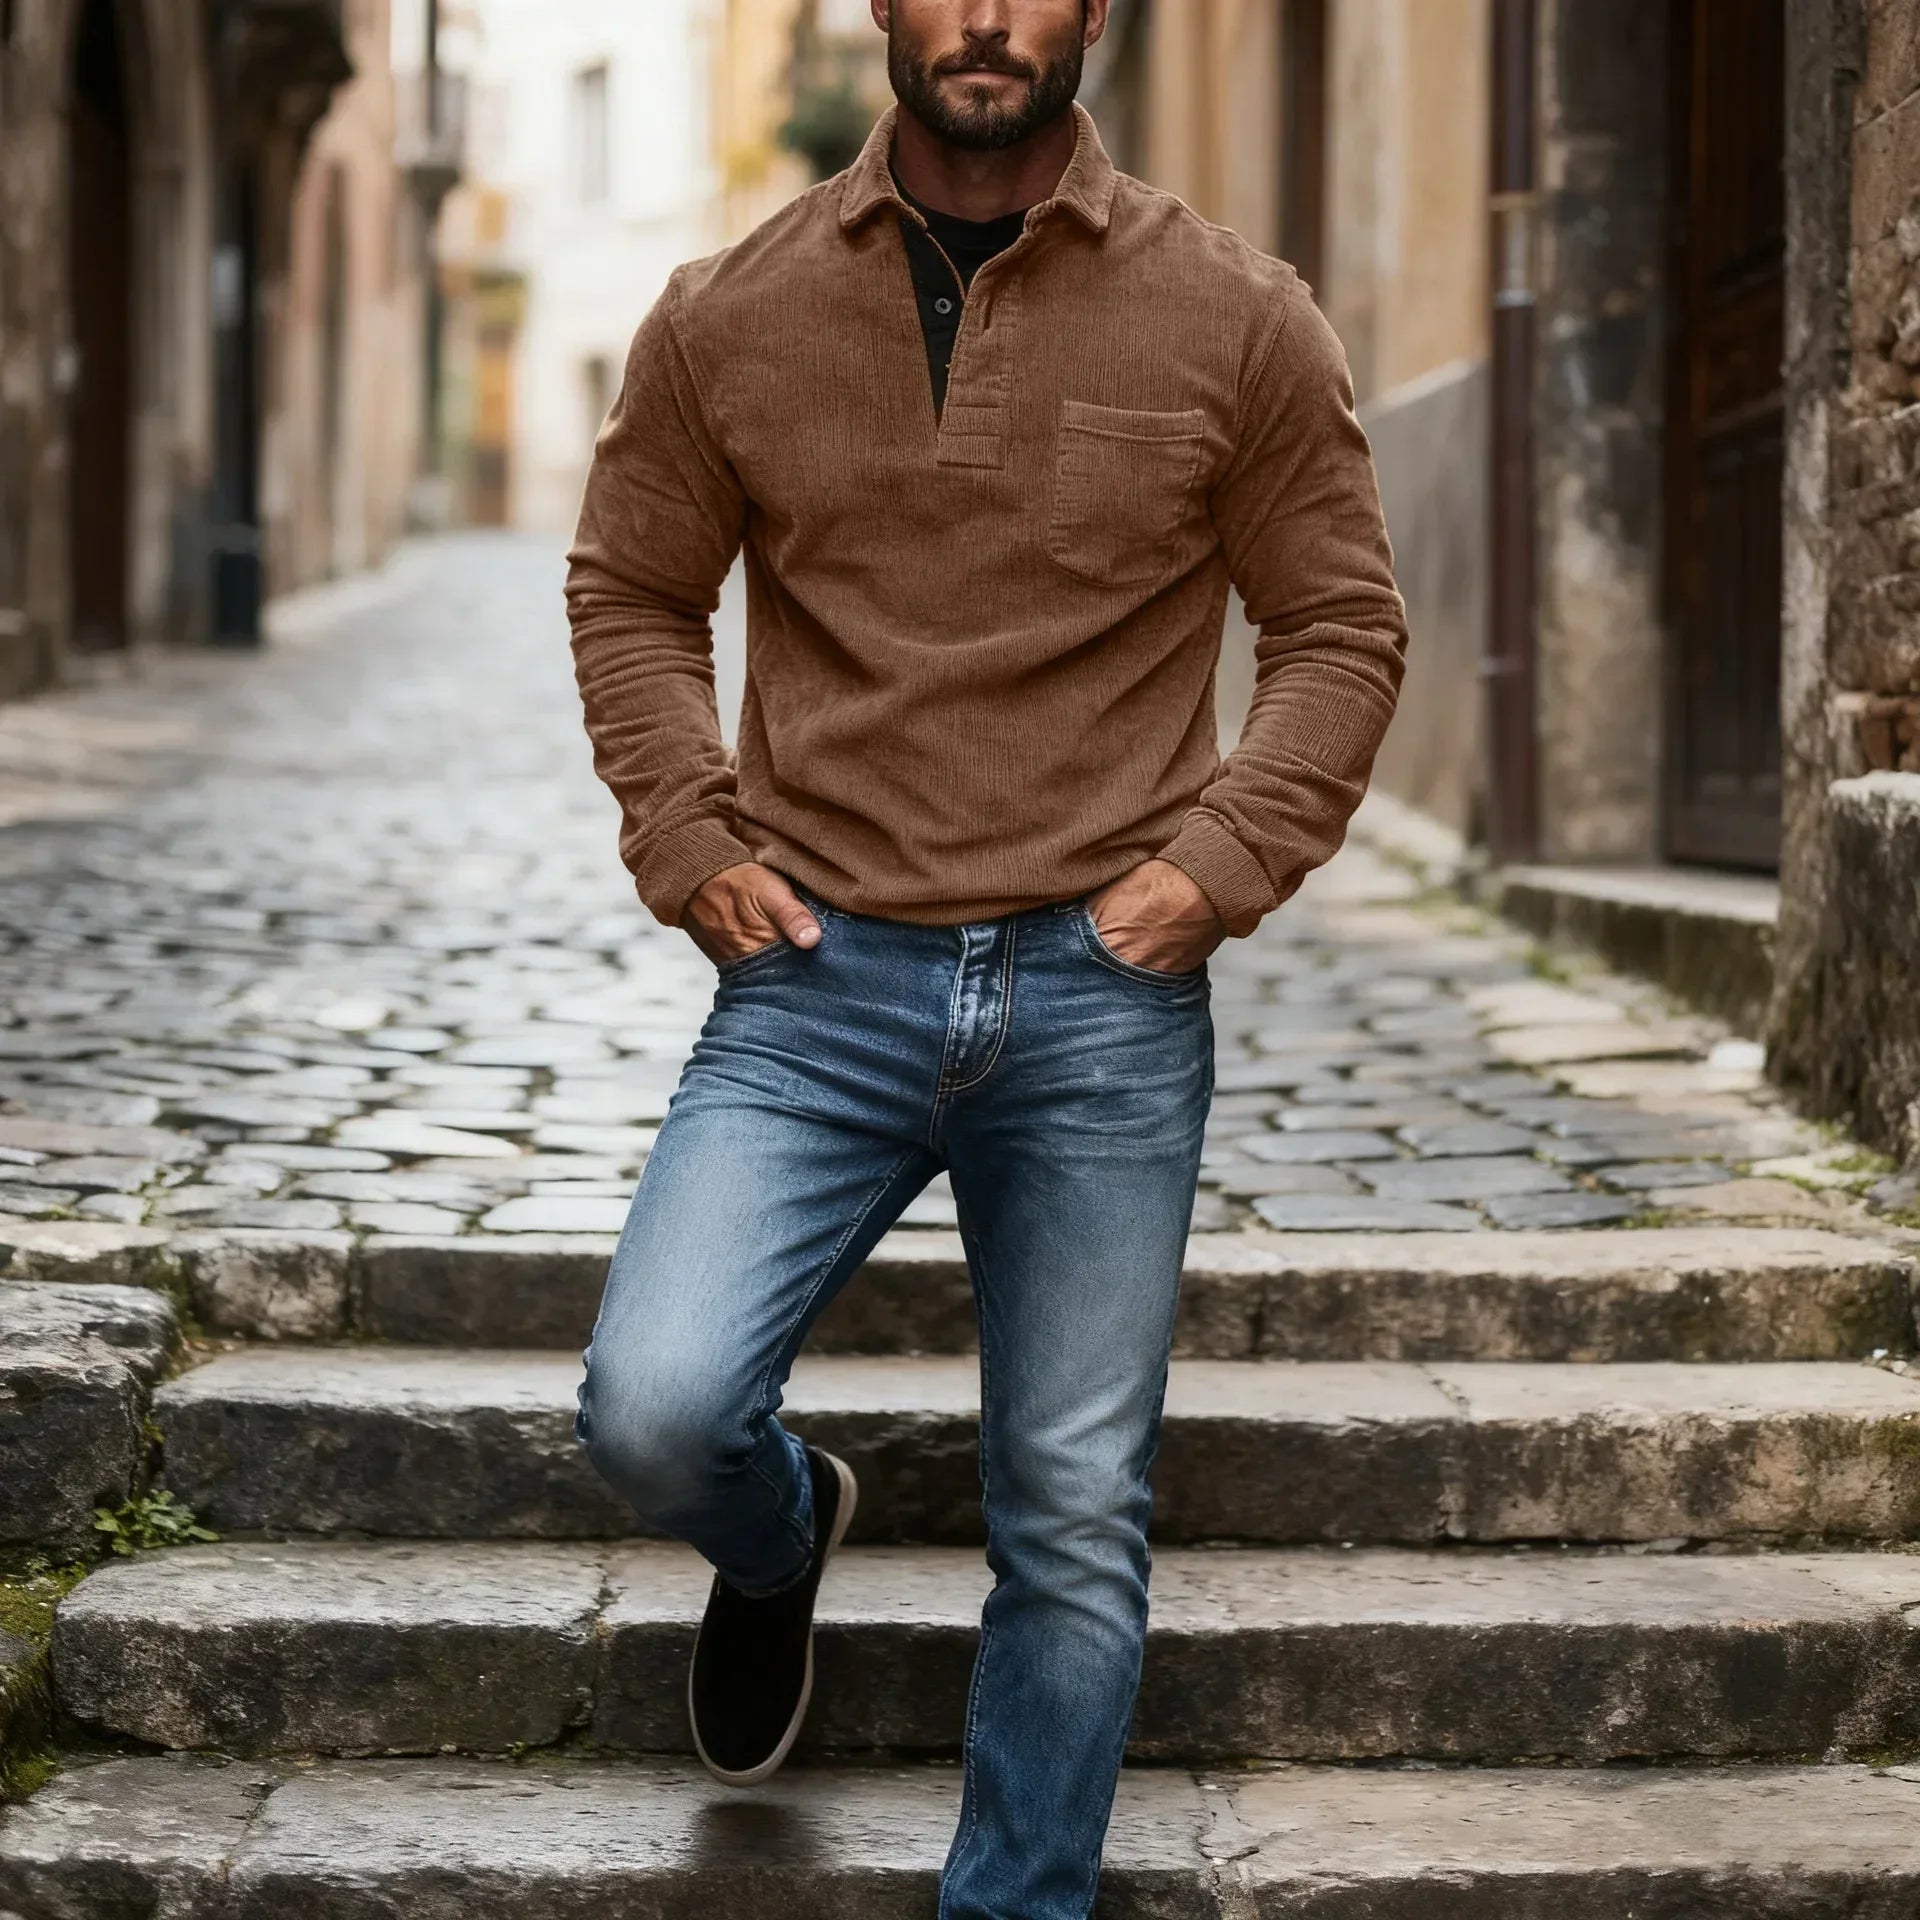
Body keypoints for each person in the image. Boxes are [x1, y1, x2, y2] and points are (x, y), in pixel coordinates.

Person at [565, 2, 1407, 1914]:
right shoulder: (730, 312)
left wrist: (1219, 864)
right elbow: (629, 587)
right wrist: (685, 827)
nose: (988, 17)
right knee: (656, 1409)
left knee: (1075, 1515)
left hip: (1102, 998)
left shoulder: (1238, 316)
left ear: (1092, 9)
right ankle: (780, 1542)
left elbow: (1342, 630)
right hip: (817, 983)